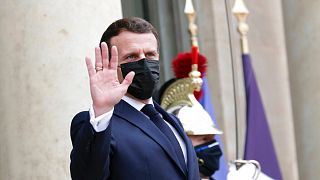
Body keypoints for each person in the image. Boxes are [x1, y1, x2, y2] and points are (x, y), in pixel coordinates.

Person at [70, 17, 200, 180]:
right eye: (131, 56)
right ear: (110, 63)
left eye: (150, 54)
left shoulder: (172, 121)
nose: (144, 63)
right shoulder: (97, 123)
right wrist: (102, 109)